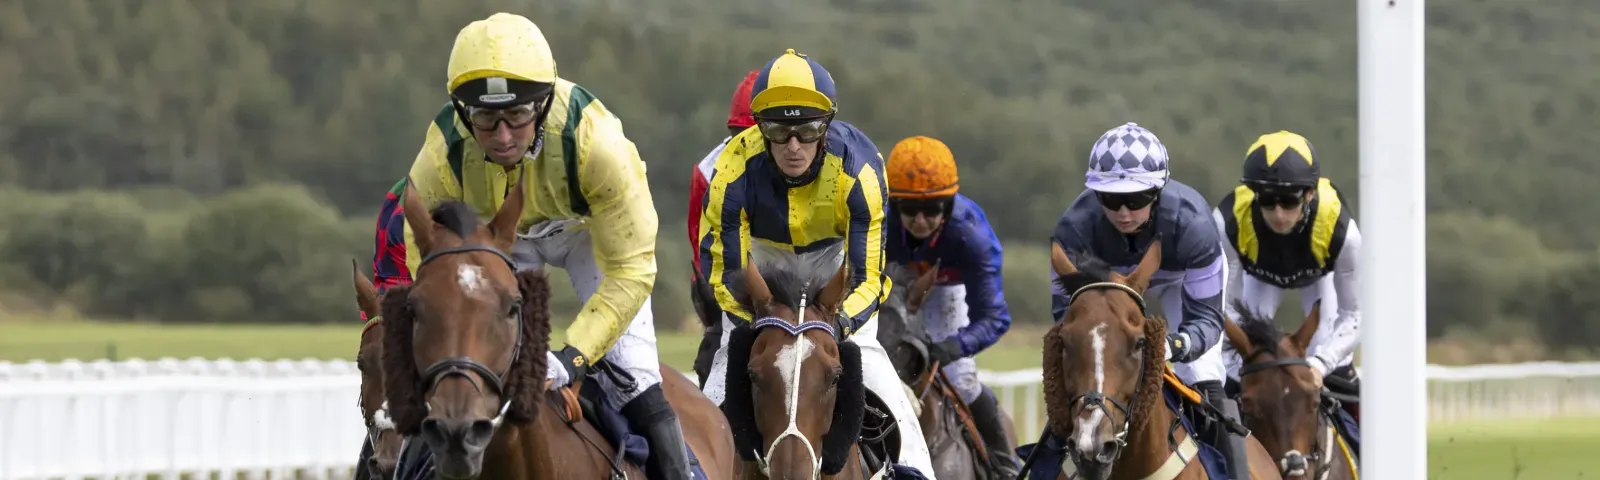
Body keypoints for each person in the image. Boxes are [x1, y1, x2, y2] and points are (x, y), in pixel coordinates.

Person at [359, 12, 690, 480]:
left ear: (544, 102)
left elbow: (632, 270)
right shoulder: (438, 159)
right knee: (421, 396)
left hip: (586, 237)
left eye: (516, 116)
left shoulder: (599, 146)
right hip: (493, 244)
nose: (502, 137)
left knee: (638, 380)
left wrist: (572, 358)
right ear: (461, 112)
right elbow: (425, 272)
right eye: (485, 119)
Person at [698, 48, 935, 475]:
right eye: (777, 129)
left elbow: (867, 277)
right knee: (713, 394)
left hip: (835, 268)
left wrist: (837, 326)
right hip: (760, 273)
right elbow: (727, 271)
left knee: (890, 395)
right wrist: (764, 321)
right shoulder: (732, 169)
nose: (793, 146)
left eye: (806, 130)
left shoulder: (859, 169)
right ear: (759, 126)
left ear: (826, 126)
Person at [1048, 122, 1246, 479]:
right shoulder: (1073, 230)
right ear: (1095, 196)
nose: (1124, 212)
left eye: (1136, 200)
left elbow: (1207, 319)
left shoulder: (1194, 225)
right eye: (1111, 199)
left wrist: (1173, 345)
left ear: (1157, 192)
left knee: (1201, 372)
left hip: (1180, 281)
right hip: (1107, 286)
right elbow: (1069, 319)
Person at [883, 135, 1020, 477]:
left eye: (931, 210)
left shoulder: (971, 234)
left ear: (948, 206)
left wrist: (952, 347)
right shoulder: (878, 221)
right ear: (893, 204)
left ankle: (1004, 466)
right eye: (909, 209)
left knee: (962, 380)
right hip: (887, 293)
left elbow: (995, 317)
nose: (919, 220)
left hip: (946, 294)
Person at [1214, 130, 1361, 447]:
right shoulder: (1228, 221)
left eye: (1289, 200)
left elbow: (1354, 314)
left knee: (1335, 364)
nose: (1278, 214)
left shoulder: (1342, 231)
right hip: (1259, 280)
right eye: (1266, 200)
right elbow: (1221, 307)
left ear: (1309, 194)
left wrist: (1321, 366)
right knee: (1235, 368)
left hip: (1320, 281)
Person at [689, 70, 759, 387]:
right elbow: (702, 249)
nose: (745, 146)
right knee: (712, 357)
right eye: (737, 136)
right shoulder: (707, 172)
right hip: (732, 279)